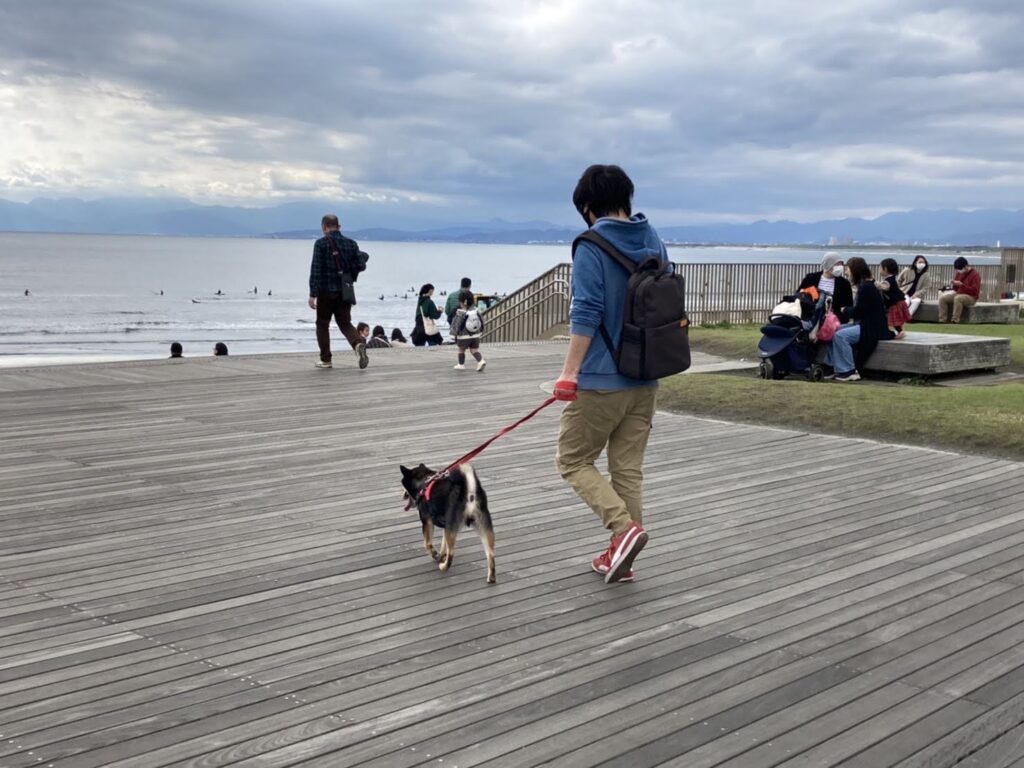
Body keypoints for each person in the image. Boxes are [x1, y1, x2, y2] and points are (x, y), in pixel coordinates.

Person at [553, 164, 667, 585]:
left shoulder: (591, 245)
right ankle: (623, 559)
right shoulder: (653, 239)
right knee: (627, 470)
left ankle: (623, 531)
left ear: (586, 205)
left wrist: (568, 374)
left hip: (601, 379)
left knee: (572, 460)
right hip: (646, 375)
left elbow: (586, 312)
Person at [308, 214, 369, 370]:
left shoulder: (321, 244)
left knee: (322, 324)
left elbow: (316, 270)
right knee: (345, 323)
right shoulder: (351, 244)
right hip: (345, 289)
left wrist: (312, 294)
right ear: (339, 226)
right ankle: (358, 344)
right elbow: (362, 265)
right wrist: (350, 267)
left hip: (326, 291)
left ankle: (326, 359)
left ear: (324, 227)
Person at [824, 256, 888, 382]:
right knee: (832, 331)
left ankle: (849, 370)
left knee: (841, 336)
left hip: (870, 327)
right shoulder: (866, 286)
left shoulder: (866, 288)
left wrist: (845, 310)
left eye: (848, 269)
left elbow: (860, 311)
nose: (846, 272)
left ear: (855, 271)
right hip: (864, 324)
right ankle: (832, 366)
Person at [450, 289, 487, 371]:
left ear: (462, 302)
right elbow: (482, 321)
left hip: (463, 337)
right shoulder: (476, 311)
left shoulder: (460, 312)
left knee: (461, 350)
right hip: (476, 335)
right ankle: (481, 361)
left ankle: (461, 364)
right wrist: (481, 331)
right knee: (474, 350)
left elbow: (456, 324)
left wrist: (453, 334)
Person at [939, 256, 981, 323]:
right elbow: (956, 289)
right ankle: (942, 320)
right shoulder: (959, 273)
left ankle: (955, 320)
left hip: (971, 297)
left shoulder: (975, 275)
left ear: (966, 266)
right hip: (959, 293)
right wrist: (954, 284)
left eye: (960, 269)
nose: (959, 271)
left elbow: (975, 291)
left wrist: (962, 285)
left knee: (958, 298)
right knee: (943, 298)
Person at [878, 258, 911, 340]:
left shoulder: (888, 281)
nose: (879, 270)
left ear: (885, 269)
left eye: (880, 268)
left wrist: (873, 283)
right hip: (898, 301)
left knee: (894, 319)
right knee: (894, 319)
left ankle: (900, 332)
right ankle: (900, 331)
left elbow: (883, 287)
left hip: (895, 303)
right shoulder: (892, 279)